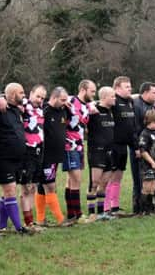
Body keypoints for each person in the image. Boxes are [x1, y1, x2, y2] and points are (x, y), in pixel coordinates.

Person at [0, 83, 34, 234]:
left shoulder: (17, 109)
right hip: (5, 157)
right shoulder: (0, 108)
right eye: (21, 92)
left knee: (8, 191)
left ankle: (2, 227)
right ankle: (19, 228)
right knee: (10, 190)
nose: (24, 95)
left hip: (18, 157)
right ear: (11, 95)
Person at [34, 87, 69, 226]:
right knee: (50, 185)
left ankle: (41, 219)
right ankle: (60, 219)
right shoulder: (45, 111)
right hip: (45, 155)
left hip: (56, 155)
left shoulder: (64, 110)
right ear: (53, 98)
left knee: (43, 187)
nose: (65, 102)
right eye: (62, 100)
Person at [64, 79, 96, 221]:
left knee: (71, 181)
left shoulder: (87, 105)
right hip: (69, 145)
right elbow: (52, 103)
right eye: (92, 91)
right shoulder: (70, 100)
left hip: (80, 145)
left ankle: (71, 214)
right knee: (76, 179)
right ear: (83, 89)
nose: (94, 94)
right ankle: (78, 214)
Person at [86, 86, 116, 221]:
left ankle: (101, 213)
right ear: (103, 98)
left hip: (109, 152)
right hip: (96, 151)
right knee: (94, 183)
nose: (115, 99)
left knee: (104, 183)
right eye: (112, 96)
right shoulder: (93, 111)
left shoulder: (112, 110)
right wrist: (91, 104)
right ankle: (91, 213)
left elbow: (131, 97)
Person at [107, 76, 136, 215]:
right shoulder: (113, 101)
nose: (130, 89)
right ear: (117, 88)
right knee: (110, 176)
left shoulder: (129, 102)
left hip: (125, 145)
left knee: (119, 176)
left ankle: (115, 206)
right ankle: (106, 207)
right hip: (113, 144)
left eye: (130, 86)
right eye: (126, 86)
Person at [19, 84, 46, 230]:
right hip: (26, 151)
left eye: (42, 97)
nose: (39, 100)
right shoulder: (22, 104)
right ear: (31, 94)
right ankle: (27, 222)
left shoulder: (42, 109)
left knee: (33, 186)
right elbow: (7, 98)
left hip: (39, 150)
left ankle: (31, 221)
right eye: (37, 96)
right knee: (25, 188)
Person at [131, 82, 155, 214]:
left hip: (152, 148)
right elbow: (134, 128)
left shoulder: (152, 105)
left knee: (151, 180)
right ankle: (137, 207)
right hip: (139, 147)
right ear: (145, 92)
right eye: (154, 92)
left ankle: (149, 205)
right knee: (139, 179)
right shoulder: (136, 105)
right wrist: (137, 147)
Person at [138, 110, 155, 215]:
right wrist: (152, 162)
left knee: (154, 186)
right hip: (147, 165)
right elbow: (143, 151)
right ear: (149, 122)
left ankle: (151, 208)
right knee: (147, 186)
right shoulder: (144, 134)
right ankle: (143, 209)